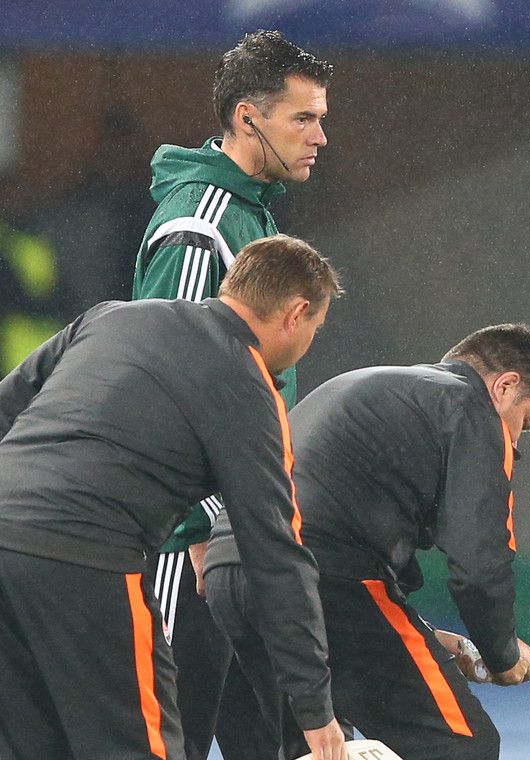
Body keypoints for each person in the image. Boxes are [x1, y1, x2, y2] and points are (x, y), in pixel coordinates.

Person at [0, 234, 346, 760]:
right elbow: (275, 555)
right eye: (315, 328)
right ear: (296, 313)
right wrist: (315, 711)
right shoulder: (249, 388)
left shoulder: (111, 317)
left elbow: (6, 407)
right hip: (89, 560)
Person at [203, 323, 530, 760]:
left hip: (231, 567)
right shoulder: (472, 411)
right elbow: (479, 565)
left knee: (318, 751)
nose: (516, 440)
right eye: (524, 422)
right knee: (462, 745)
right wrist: (502, 653)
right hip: (319, 575)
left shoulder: (382, 388)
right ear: (505, 386)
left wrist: (428, 637)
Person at [132, 29, 333, 760]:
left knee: (268, 737)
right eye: (303, 119)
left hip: (234, 531)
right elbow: (166, 380)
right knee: (169, 741)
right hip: (184, 541)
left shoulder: (251, 212)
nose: (320, 137)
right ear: (249, 118)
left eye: (320, 119)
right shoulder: (203, 224)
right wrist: (199, 523)